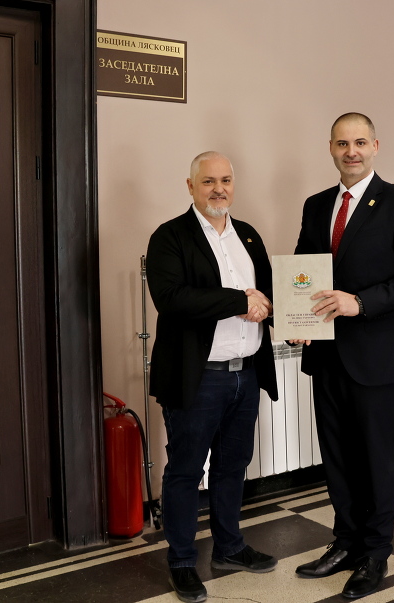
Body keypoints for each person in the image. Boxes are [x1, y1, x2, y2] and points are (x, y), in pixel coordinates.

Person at [290, 113, 394, 600]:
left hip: (375, 354)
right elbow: (303, 270)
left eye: (359, 142)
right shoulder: (316, 205)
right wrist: (296, 321)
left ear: (375, 145)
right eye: (342, 143)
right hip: (326, 354)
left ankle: (376, 552)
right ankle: (346, 541)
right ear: (330, 148)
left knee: (376, 458)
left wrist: (361, 301)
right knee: (337, 456)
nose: (350, 151)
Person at [146, 152, 279, 603]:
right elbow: (172, 298)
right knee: (185, 470)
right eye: (208, 181)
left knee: (232, 467)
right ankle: (182, 561)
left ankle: (230, 548)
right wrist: (239, 301)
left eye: (225, 180)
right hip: (197, 378)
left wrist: (283, 314)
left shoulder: (248, 235)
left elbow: (268, 293)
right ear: (190, 186)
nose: (218, 189)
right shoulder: (170, 236)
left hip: (246, 374)